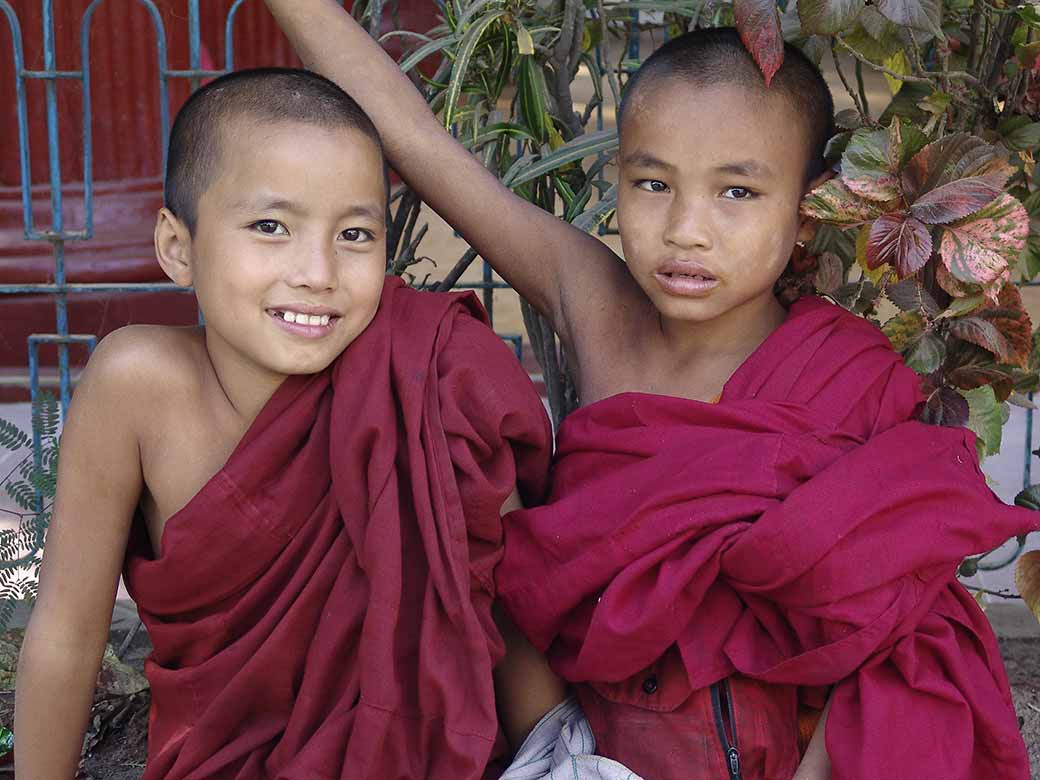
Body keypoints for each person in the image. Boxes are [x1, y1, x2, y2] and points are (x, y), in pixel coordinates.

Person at [265, 4, 1039, 779]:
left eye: (737, 193)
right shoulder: (599, 308)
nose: (686, 230)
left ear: (806, 215)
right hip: (581, 744)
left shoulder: (844, 373)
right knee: (435, 371)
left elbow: (894, 619)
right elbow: (420, 145)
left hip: (773, 760)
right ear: (619, 179)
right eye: (653, 183)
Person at [14, 67, 560, 780]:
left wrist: (562, 761)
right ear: (178, 247)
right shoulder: (138, 386)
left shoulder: (425, 376)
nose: (317, 272)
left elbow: (499, 603)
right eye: (271, 227)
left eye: (355, 234)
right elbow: (63, 635)